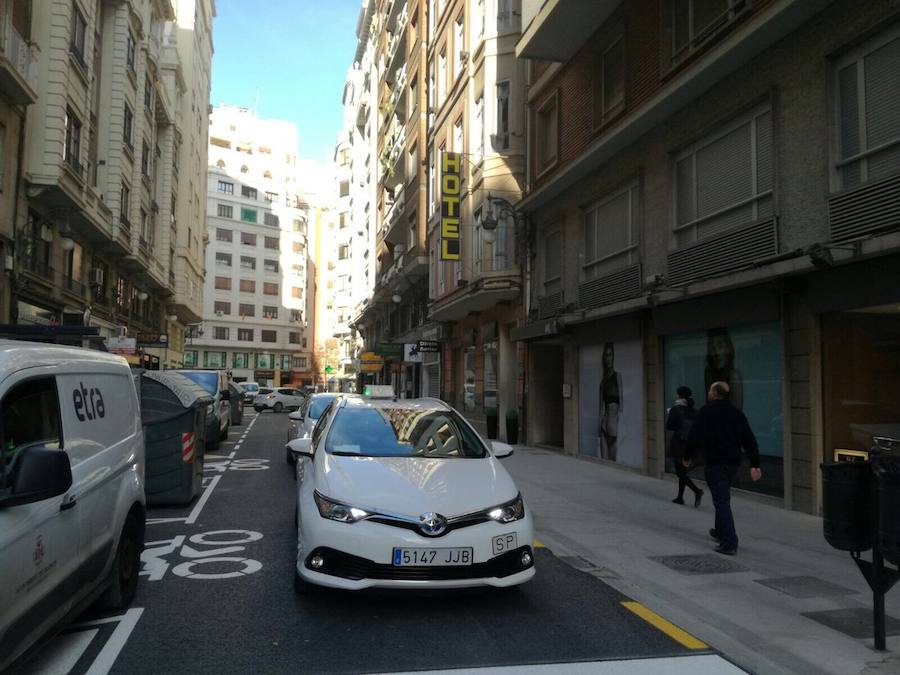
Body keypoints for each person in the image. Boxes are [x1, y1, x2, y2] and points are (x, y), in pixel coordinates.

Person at [684, 381, 761, 555]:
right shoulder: (737, 414)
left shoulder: (706, 412)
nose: (709, 392)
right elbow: (749, 439)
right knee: (723, 496)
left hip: (715, 462)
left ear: (715, 393)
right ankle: (720, 531)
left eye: (711, 389)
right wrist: (754, 463)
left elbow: (694, 435)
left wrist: (687, 457)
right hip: (732, 463)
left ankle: (729, 542)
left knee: (721, 501)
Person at [666, 386, 702, 507]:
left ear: (679, 396)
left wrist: (669, 413)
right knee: (683, 470)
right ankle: (680, 497)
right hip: (690, 444)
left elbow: (670, 426)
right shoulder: (694, 411)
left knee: (680, 472)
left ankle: (697, 491)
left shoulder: (675, 409)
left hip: (678, 443)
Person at [704, 328, 744, 411]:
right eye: (712, 347)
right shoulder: (709, 373)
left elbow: (736, 411)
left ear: (727, 347)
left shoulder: (733, 375)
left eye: (720, 345)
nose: (716, 352)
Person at [599, 342, 623, 462]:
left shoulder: (617, 377)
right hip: (604, 426)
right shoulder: (602, 383)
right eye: (606, 355)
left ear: (613, 356)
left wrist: (622, 426)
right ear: (603, 358)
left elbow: (622, 405)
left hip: (614, 428)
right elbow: (600, 409)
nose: (608, 358)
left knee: (613, 463)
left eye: (610, 354)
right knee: (604, 463)